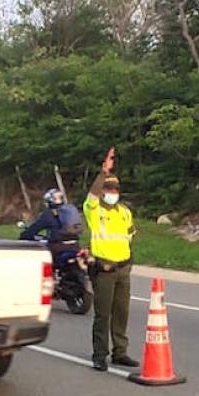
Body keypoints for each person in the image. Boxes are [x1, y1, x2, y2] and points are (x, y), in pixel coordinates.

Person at [83, 147, 138, 371]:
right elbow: (91, 197)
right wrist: (103, 172)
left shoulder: (124, 212)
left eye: (115, 188)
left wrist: (128, 261)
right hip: (104, 270)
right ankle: (99, 354)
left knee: (121, 313)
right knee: (103, 314)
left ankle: (120, 352)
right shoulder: (94, 211)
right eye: (108, 188)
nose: (112, 191)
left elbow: (129, 235)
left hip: (123, 269)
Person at [20, 188, 84, 265]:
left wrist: (25, 235)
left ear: (49, 201)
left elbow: (35, 228)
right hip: (75, 246)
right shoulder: (69, 211)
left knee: (46, 262)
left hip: (58, 247)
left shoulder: (48, 213)